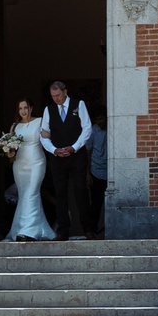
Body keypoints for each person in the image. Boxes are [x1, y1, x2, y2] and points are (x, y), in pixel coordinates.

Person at [37, 79, 95, 240]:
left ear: (65, 92)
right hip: (57, 158)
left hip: (77, 156)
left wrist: (74, 147)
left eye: (58, 95)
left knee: (80, 191)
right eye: (53, 96)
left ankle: (88, 229)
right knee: (60, 194)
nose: (56, 98)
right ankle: (63, 230)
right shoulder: (49, 109)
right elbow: (44, 134)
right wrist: (54, 150)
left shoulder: (79, 105)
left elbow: (87, 129)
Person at [4, 99, 53, 241]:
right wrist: (9, 151)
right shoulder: (15, 126)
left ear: (31, 108)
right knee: (25, 195)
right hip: (20, 164)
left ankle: (28, 231)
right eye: (20, 108)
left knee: (32, 192)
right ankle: (40, 230)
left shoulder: (40, 121)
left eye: (26, 107)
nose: (23, 111)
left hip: (37, 162)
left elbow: (48, 137)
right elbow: (11, 149)